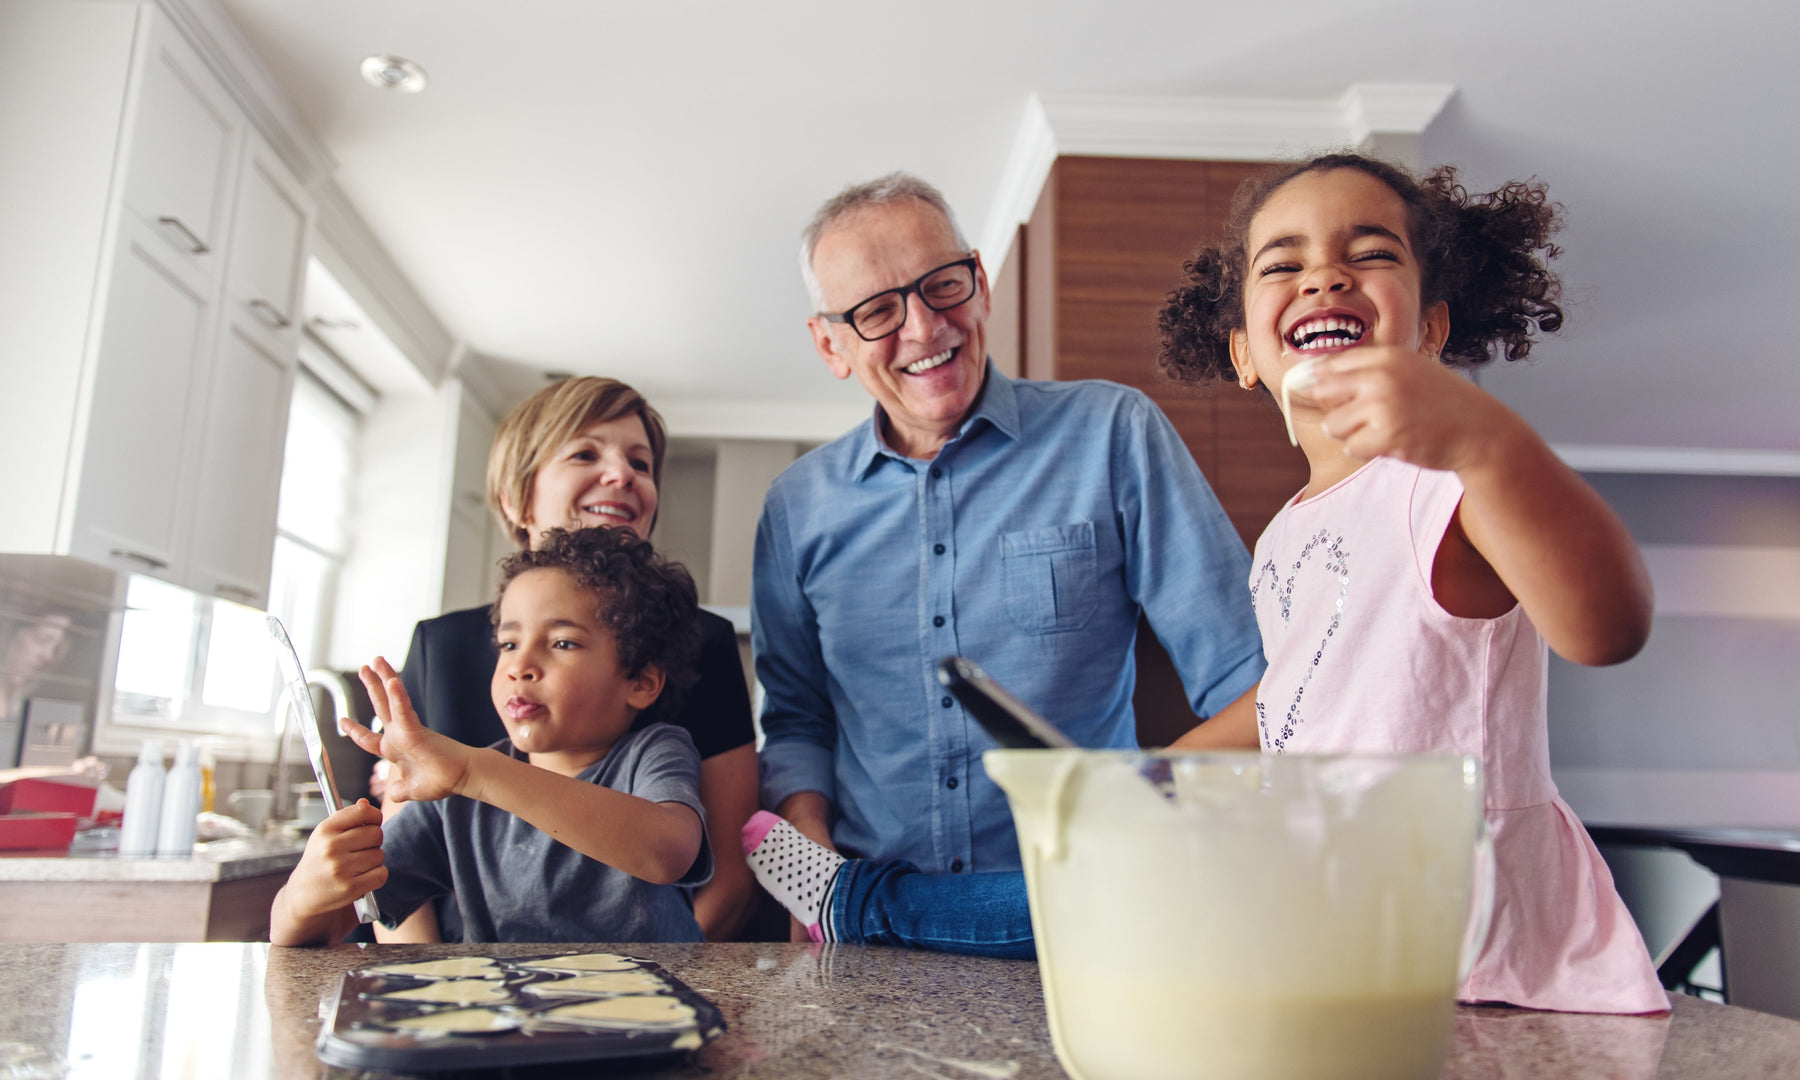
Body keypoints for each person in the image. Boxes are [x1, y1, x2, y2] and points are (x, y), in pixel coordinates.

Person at [1155, 152, 1665, 1013]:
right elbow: (1299, 692)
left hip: (1484, 960)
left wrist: (1485, 441)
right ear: (1244, 352)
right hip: (1352, 938)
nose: (1324, 276)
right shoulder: (1284, 536)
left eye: (1372, 254)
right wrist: (1153, 770)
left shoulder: (1451, 481)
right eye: (1283, 264)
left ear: (1428, 330)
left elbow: (1608, 628)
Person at [747, 173, 1265, 955]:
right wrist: (810, 862)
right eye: (878, 310)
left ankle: (860, 901)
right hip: (870, 946)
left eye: (942, 285)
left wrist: (1126, 797)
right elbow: (797, 721)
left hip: (1080, 903)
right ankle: (852, 900)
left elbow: (1255, 684)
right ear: (831, 345)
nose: (924, 328)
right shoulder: (796, 508)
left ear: (980, 283)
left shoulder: (1111, 434)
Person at [387, 377, 759, 942]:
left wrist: (657, 984)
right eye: (586, 453)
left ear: (645, 679)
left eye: (640, 462)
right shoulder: (439, 648)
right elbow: (397, 866)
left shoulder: (704, 642)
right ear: (517, 498)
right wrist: (433, 995)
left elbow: (724, 876)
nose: (623, 475)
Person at [270, 525, 712, 946]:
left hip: (646, 1018)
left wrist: (475, 773)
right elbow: (321, 929)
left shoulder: (654, 751)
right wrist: (304, 893)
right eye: (509, 644)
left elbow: (668, 852)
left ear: (640, 681)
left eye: (562, 643)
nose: (521, 665)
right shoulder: (459, 796)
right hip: (499, 1022)